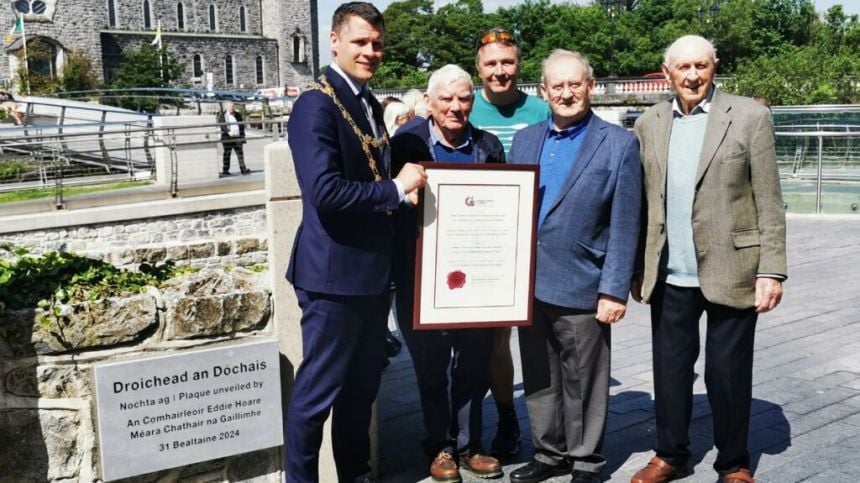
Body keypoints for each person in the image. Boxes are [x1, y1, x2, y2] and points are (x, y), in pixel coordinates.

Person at [629, 35, 786, 483]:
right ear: (667, 73)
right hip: (669, 272)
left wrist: (772, 270)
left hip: (733, 267)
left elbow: (770, 200)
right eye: (683, 68)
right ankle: (670, 455)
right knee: (670, 372)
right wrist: (639, 267)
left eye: (701, 66)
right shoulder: (649, 123)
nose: (693, 75)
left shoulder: (750, 117)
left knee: (727, 374)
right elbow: (641, 201)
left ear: (714, 67)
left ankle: (733, 462)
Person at [284, 3, 427, 482]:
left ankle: (356, 476)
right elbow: (323, 192)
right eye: (361, 42)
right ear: (335, 41)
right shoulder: (314, 104)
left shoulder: (365, 102)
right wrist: (396, 189)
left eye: (377, 43)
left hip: (370, 274)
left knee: (361, 392)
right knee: (315, 397)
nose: (371, 51)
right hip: (332, 279)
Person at [507, 49, 642, 483]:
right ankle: (549, 454)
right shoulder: (526, 139)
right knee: (539, 376)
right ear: (543, 91)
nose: (567, 93)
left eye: (575, 84)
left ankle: (586, 460)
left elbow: (625, 222)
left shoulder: (619, 143)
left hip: (584, 280)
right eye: (557, 86)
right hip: (527, 283)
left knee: (584, 378)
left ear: (591, 85)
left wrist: (614, 289)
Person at [390, 64, 505, 483]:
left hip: (475, 279)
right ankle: (440, 445)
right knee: (431, 367)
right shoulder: (404, 144)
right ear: (430, 101)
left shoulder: (489, 145)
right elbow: (391, 207)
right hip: (421, 278)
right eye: (447, 99)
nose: (456, 107)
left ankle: (472, 444)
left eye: (464, 99)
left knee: (474, 364)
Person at [469, 27, 551, 456]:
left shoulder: (540, 110)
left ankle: (550, 426)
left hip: (535, 240)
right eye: (491, 64)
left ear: (519, 65)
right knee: (495, 340)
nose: (500, 71)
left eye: (507, 63)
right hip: (482, 242)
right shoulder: (465, 105)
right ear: (478, 68)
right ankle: (505, 416)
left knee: (540, 337)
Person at [218, 101, 249, 175]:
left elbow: (241, 125)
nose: (232, 108)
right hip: (227, 138)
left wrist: (242, 136)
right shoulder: (223, 115)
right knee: (227, 154)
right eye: (230, 106)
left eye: (233, 106)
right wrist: (228, 131)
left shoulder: (238, 114)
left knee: (240, 154)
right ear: (226, 107)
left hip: (238, 137)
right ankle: (225, 170)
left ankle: (243, 170)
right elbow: (222, 124)